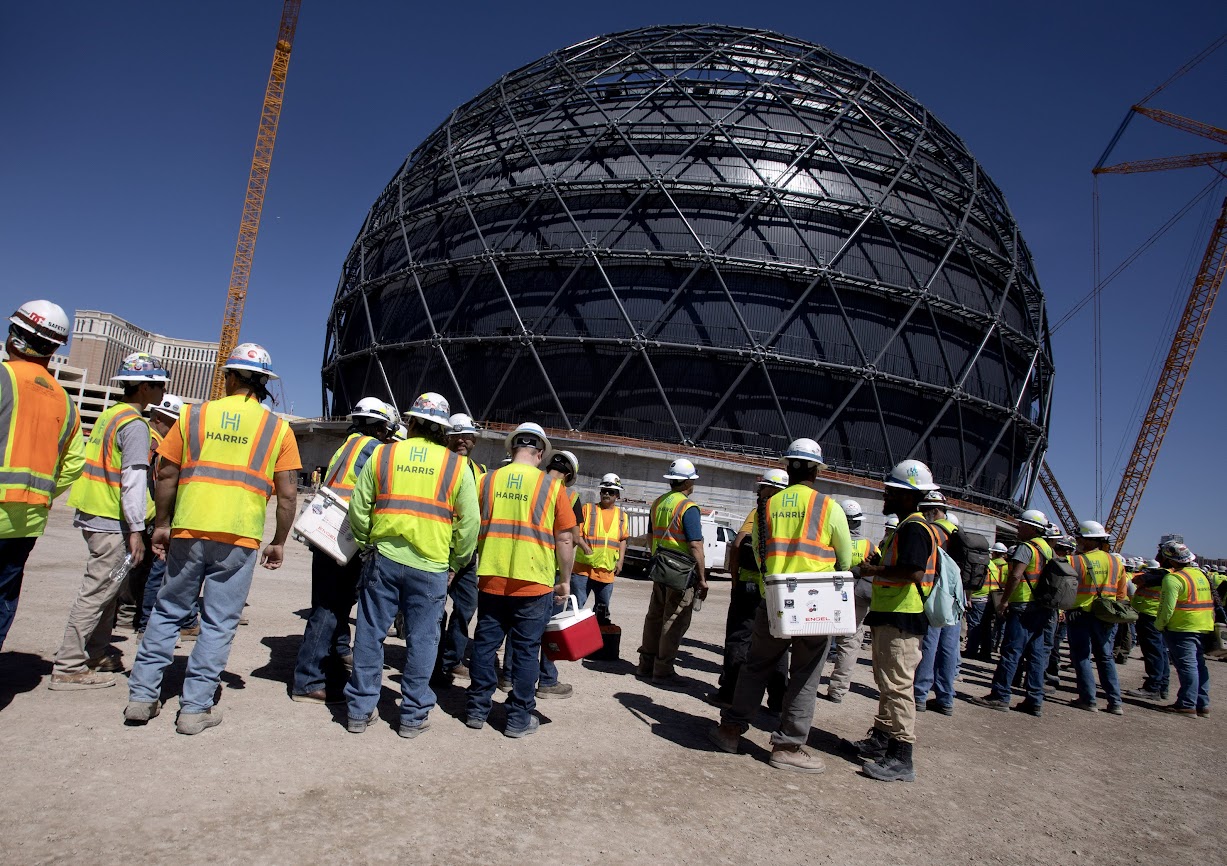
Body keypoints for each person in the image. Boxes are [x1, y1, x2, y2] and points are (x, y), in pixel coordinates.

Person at [124, 343, 299, 735]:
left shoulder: (193, 415)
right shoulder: (277, 428)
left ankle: (141, 697)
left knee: (167, 611)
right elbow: (287, 494)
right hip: (240, 535)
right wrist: (279, 540)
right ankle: (194, 709)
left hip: (189, 528)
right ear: (264, 383)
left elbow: (165, 474)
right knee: (219, 623)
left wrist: (163, 524)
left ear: (231, 377)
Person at [709, 439, 852, 773]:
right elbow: (845, 559)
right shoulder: (828, 507)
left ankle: (730, 730)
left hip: (774, 599)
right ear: (817, 470)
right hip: (814, 602)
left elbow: (758, 555)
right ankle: (787, 746)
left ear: (788, 468)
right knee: (804, 674)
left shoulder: (767, 507)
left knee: (756, 665)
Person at [343, 393, 478, 736]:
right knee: (423, 640)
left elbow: (359, 507)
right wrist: (455, 563)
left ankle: (359, 710)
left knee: (371, 633)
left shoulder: (384, 454)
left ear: (412, 422)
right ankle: (413, 716)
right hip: (431, 566)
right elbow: (469, 526)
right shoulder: (457, 466)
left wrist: (366, 542)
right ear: (444, 431)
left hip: (383, 558)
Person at [48, 353, 167, 690]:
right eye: (158, 386)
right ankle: (69, 664)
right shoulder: (135, 426)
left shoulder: (110, 416)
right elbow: (131, 481)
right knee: (98, 589)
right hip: (112, 522)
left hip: (96, 515)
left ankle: (97, 652)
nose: (161, 393)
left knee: (111, 587)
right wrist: (134, 530)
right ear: (144, 387)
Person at [465, 422, 576, 737]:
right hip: (534, 582)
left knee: (486, 646)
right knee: (527, 650)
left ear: (511, 449)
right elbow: (565, 539)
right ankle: (517, 719)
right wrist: (565, 580)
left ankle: (476, 710)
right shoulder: (553, 487)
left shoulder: (486, 481)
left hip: (491, 577)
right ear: (540, 453)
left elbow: (470, 523)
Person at [290, 396, 396, 704]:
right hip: (345, 535)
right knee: (330, 608)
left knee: (329, 604)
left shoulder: (346, 444)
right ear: (382, 426)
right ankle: (309, 680)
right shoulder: (375, 449)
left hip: (326, 530)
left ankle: (331, 667)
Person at [843, 459, 941, 783]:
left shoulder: (914, 527)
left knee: (898, 685)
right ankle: (882, 739)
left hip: (903, 617)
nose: (885, 494)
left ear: (905, 494)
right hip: (891, 616)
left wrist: (873, 571)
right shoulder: (903, 527)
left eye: (890, 490)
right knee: (887, 682)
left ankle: (902, 756)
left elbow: (912, 571)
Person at [0, 300, 83, 652]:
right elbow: (74, 463)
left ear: (14, 337)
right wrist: (44, 493)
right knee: (4, 596)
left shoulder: (4, 377)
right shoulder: (65, 402)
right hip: (28, 519)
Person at [500, 448, 587, 700]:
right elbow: (570, 537)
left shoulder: (530, 484)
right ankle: (547, 681)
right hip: (551, 570)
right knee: (550, 628)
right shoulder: (569, 495)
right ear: (569, 474)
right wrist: (566, 580)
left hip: (522, 565)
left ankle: (508, 676)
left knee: (517, 625)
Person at [712, 468, 789, 708]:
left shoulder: (759, 512)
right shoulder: (794, 519)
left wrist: (734, 577)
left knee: (739, 637)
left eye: (762, 487)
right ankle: (777, 701)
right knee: (777, 644)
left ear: (772, 490)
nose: (758, 491)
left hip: (749, 585)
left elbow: (737, 544)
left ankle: (730, 692)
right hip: (778, 590)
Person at [971, 509, 1055, 717]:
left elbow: (1016, 575)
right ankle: (1034, 699)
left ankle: (1000, 695)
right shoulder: (1047, 549)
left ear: (1032, 527)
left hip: (1023, 605)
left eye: (1021, 525)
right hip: (1041, 607)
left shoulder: (1026, 548)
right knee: (1035, 654)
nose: (1018, 527)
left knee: (1011, 651)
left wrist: (1005, 601)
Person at [637, 457, 707, 684]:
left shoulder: (658, 503)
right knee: (674, 619)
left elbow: (650, 536)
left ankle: (645, 665)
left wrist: (657, 557)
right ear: (688, 483)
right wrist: (703, 579)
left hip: (661, 568)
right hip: (682, 572)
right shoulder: (688, 507)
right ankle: (663, 669)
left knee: (654, 616)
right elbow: (695, 544)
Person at [138, 394, 195, 637]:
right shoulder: (159, 445)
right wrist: (163, 520)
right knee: (160, 570)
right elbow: (162, 482)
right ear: (160, 418)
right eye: (173, 422)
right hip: (158, 514)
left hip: (151, 513)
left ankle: (135, 614)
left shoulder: (155, 440)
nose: (176, 427)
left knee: (149, 568)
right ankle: (146, 623)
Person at [434, 412, 485, 683]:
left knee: (466, 606)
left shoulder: (480, 472)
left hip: (466, 553)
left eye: (467, 436)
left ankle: (452, 659)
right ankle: (433, 663)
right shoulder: (439, 464)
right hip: (438, 547)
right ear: (447, 437)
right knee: (434, 610)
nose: (462, 440)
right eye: (457, 435)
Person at [1066, 520, 1125, 714]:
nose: (1077, 541)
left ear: (1089, 541)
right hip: (1105, 614)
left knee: (1082, 656)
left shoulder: (1074, 561)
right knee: (1105, 657)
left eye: (1080, 538)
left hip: (1080, 613)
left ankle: (1088, 699)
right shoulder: (1116, 561)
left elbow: (1065, 589)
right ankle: (1115, 702)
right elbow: (1122, 594)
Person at [822, 498, 879, 703]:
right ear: (858, 522)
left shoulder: (830, 542)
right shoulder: (869, 546)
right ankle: (837, 690)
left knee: (822, 638)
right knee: (850, 643)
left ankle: (808, 683)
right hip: (858, 598)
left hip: (832, 594)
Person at [912, 490, 960, 715]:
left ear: (933, 511)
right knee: (949, 648)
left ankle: (919, 695)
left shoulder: (932, 532)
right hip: (956, 600)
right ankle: (945, 698)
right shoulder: (958, 532)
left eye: (923, 510)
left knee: (929, 645)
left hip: (936, 596)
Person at [1153, 540, 1213, 716]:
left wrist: (1159, 625)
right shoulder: (1201, 574)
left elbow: (1166, 608)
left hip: (1182, 627)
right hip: (1203, 626)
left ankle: (1187, 703)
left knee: (1187, 667)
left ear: (1170, 559)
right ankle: (1202, 703)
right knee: (1199, 665)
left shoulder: (1174, 578)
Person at [571, 472, 630, 611]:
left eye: (611, 491)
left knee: (602, 611)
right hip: (583, 570)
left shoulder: (622, 516)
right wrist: (585, 548)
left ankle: (599, 633)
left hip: (606, 571)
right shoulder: (588, 509)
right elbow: (576, 535)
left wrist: (620, 561)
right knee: (574, 610)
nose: (607, 494)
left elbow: (622, 540)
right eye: (604, 491)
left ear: (617, 495)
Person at [1125, 556, 1171, 701]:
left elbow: (1138, 580)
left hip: (1150, 616)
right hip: (1157, 616)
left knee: (1153, 652)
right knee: (1160, 651)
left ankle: (1153, 687)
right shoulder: (1170, 574)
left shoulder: (1163, 574)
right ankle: (1162, 685)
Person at [966, 541, 1007, 660]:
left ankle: (971, 651)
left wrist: (968, 597)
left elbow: (973, 582)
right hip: (991, 599)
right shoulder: (995, 565)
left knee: (974, 626)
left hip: (978, 597)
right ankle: (985, 652)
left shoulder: (984, 564)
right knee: (986, 628)